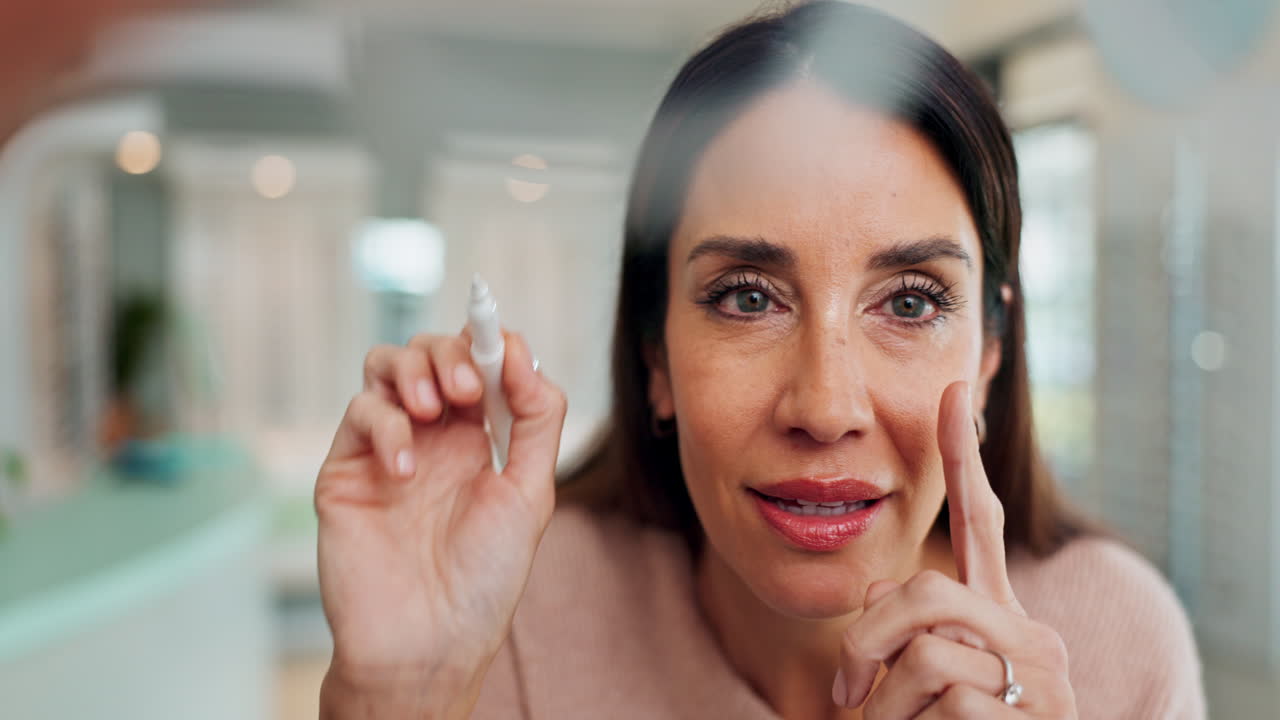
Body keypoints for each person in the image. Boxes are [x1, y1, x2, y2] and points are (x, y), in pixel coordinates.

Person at [314, 2, 1205, 718]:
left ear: (990, 357)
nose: (824, 406)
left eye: (909, 301)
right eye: (747, 296)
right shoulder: (519, 611)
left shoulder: (1120, 644)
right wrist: (401, 698)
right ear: (653, 354)